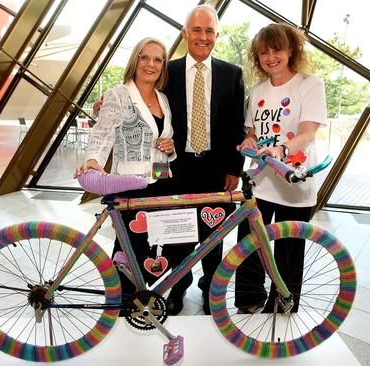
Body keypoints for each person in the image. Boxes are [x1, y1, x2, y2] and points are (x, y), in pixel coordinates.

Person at [234, 23, 327, 313]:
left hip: (293, 181)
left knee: (288, 249)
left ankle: (283, 302)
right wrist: (248, 141)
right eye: (263, 52)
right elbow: (251, 131)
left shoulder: (310, 84)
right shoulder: (258, 90)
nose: (270, 56)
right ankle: (249, 299)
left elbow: (307, 132)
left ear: (291, 50)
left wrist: (282, 149)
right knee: (250, 243)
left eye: (277, 49)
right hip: (260, 181)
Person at [76, 37, 176, 300]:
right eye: (144, 57)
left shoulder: (163, 100)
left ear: (163, 65)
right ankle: (119, 304)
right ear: (135, 60)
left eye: (157, 59)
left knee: (151, 246)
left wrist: (170, 147)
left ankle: (141, 299)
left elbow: (165, 139)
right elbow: (102, 134)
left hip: (161, 182)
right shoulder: (118, 95)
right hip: (130, 184)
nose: (150, 64)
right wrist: (93, 159)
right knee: (126, 248)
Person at [162, 4, 246, 316]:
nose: (202, 36)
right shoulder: (166, 72)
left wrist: (233, 170)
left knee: (215, 231)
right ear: (185, 33)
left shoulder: (231, 74)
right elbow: (141, 99)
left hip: (216, 167)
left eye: (209, 30)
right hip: (177, 167)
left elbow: (237, 125)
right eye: (196, 30)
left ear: (217, 35)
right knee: (178, 233)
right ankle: (178, 286)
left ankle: (211, 288)